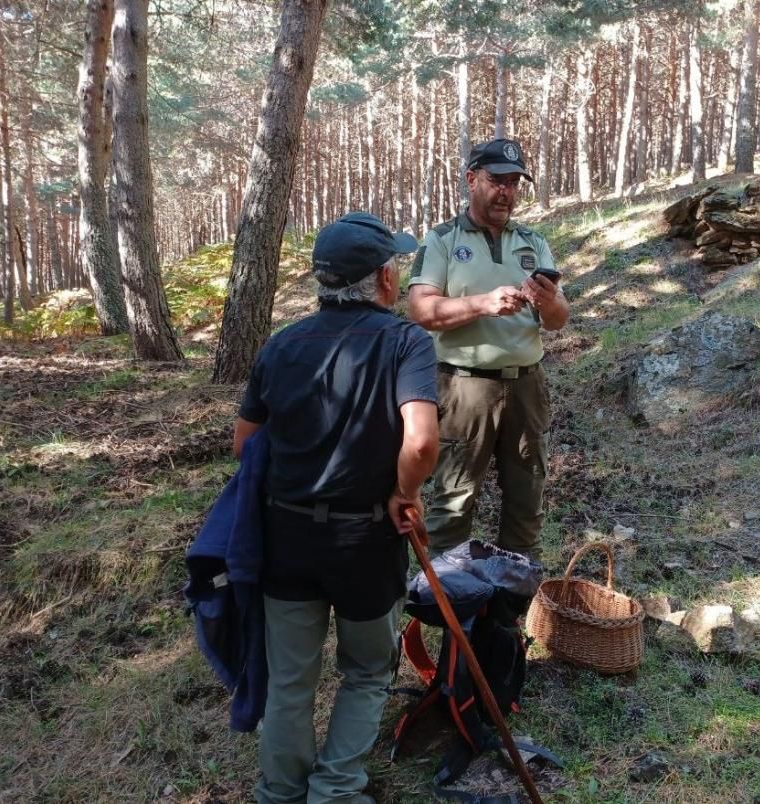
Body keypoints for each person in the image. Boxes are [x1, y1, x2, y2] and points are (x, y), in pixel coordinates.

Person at [234, 212, 440, 804]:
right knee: (369, 668)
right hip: (364, 539)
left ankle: (281, 792)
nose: (397, 274)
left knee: (291, 678)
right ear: (381, 279)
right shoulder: (405, 341)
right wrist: (405, 491)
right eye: (394, 265)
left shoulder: (281, 345)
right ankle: (336, 789)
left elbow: (246, 445)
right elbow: (422, 440)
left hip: (285, 536)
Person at [407, 138, 569, 559]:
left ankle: (506, 618)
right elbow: (421, 310)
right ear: (471, 179)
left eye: (515, 183)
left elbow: (558, 320)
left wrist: (547, 300)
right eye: (497, 181)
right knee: (454, 504)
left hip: (527, 387)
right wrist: (482, 304)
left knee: (527, 502)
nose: (507, 192)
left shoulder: (532, 242)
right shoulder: (444, 239)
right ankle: (454, 615)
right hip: (464, 389)